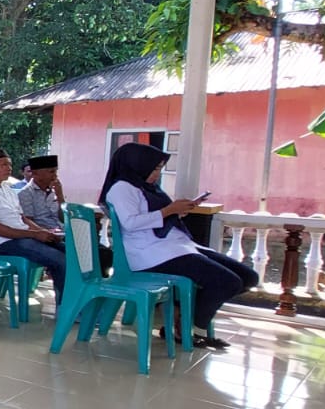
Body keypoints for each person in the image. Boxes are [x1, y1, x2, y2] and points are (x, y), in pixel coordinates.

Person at [102, 143, 256, 349]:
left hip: (175, 246)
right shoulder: (122, 188)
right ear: (138, 164)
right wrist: (169, 211)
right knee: (227, 282)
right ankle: (191, 331)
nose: (157, 174)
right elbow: (130, 223)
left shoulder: (147, 187)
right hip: (151, 253)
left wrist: (177, 211)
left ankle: (181, 314)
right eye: (155, 169)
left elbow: (158, 216)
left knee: (248, 277)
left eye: (159, 169)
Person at [0, 147, 66, 300]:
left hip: (23, 239)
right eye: (3, 164)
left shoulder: (7, 189)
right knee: (59, 260)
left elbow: (23, 219)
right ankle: (67, 307)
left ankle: (72, 301)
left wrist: (43, 233)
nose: (8, 168)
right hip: (4, 244)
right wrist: (34, 234)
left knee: (72, 254)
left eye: (9, 164)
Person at [20, 154, 110, 274]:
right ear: (36, 173)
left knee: (102, 252)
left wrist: (60, 196)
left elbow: (63, 218)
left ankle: (93, 282)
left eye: (56, 171)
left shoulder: (54, 191)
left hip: (64, 233)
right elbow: (28, 222)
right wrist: (47, 232)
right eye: (51, 172)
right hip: (47, 237)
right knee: (88, 255)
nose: (55, 176)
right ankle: (77, 282)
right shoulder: (26, 193)